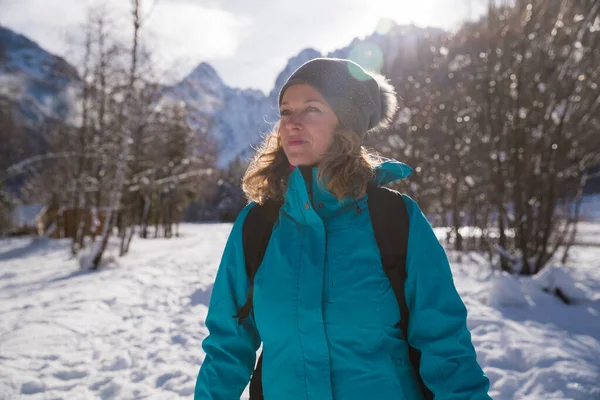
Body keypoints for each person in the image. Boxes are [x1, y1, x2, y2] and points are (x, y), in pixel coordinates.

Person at [194, 57, 492, 399]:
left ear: (346, 123)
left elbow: (445, 347)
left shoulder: (395, 219)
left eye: (311, 109)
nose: (292, 123)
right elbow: (226, 348)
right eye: (286, 111)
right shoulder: (257, 226)